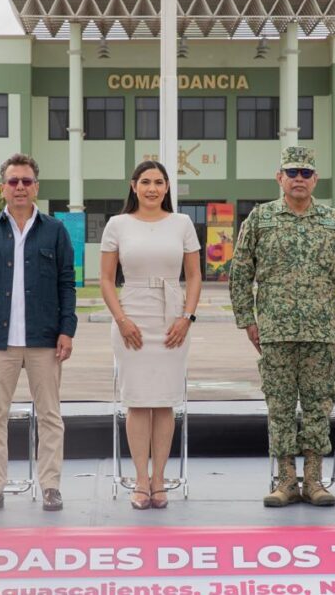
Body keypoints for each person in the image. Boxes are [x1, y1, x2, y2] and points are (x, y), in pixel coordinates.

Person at [229, 145, 335, 508]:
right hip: (274, 333)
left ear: (315, 179)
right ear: (280, 177)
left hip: (321, 333)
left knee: (319, 406)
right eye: (292, 172)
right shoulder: (260, 219)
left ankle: (314, 480)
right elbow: (239, 273)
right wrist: (247, 321)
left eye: (305, 173)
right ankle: (286, 480)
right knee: (280, 408)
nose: (299, 179)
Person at [0, 153, 77, 513]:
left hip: (45, 339)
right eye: (13, 181)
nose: (20, 187)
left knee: (50, 416)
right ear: (3, 188)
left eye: (26, 181)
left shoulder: (55, 231)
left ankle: (51, 487)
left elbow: (67, 283)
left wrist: (67, 329)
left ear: (36, 187)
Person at [100, 161, 202, 510]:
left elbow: (194, 276)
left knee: (164, 401)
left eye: (159, 182)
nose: (152, 188)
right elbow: (106, 279)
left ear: (167, 187)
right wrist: (122, 320)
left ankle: (159, 480)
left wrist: (186, 317)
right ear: (134, 186)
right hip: (132, 316)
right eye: (145, 182)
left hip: (172, 318)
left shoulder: (182, 223)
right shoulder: (117, 225)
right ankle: (141, 480)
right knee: (138, 401)